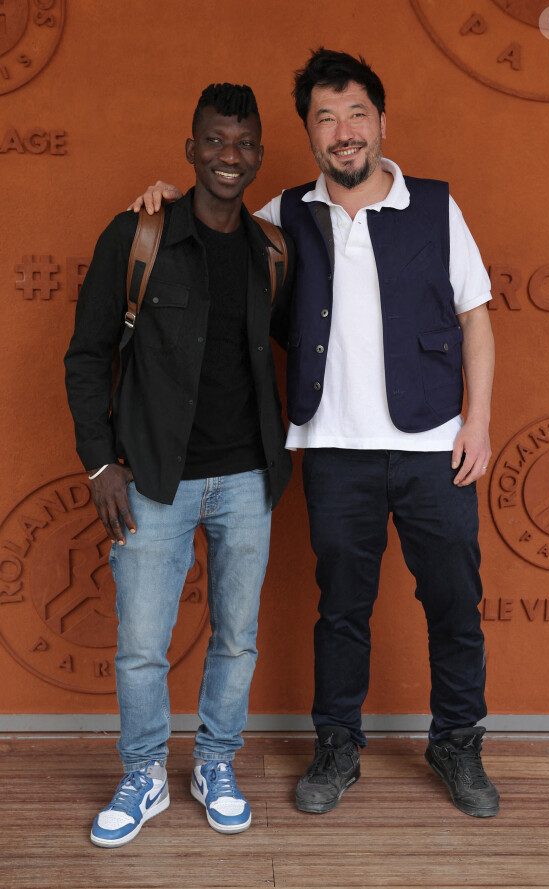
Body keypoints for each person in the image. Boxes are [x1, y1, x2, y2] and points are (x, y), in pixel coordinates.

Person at [131, 48, 499, 820]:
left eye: (356, 114)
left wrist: (481, 424)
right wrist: (164, 201)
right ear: (308, 133)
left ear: (380, 121)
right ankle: (338, 744)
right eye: (325, 118)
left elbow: (475, 317)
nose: (343, 132)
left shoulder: (435, 206)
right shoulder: (280, 218)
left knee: (455, 602)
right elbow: (213, 225)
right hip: (332, 450)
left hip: (435, 444)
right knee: (342, 609)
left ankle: (457, 742)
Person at [65, 83, 294, 847]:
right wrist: (101, 465)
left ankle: (216, 762)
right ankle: (144, 775)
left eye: (244, 143)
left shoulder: (271, 251)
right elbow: (87, 355)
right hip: (154, 480)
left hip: (248, 480)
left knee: (236, 636)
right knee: (141, 645)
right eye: (215, 142)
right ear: (189, 148)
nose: (231, 157)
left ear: (259, 152)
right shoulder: (138, 235)